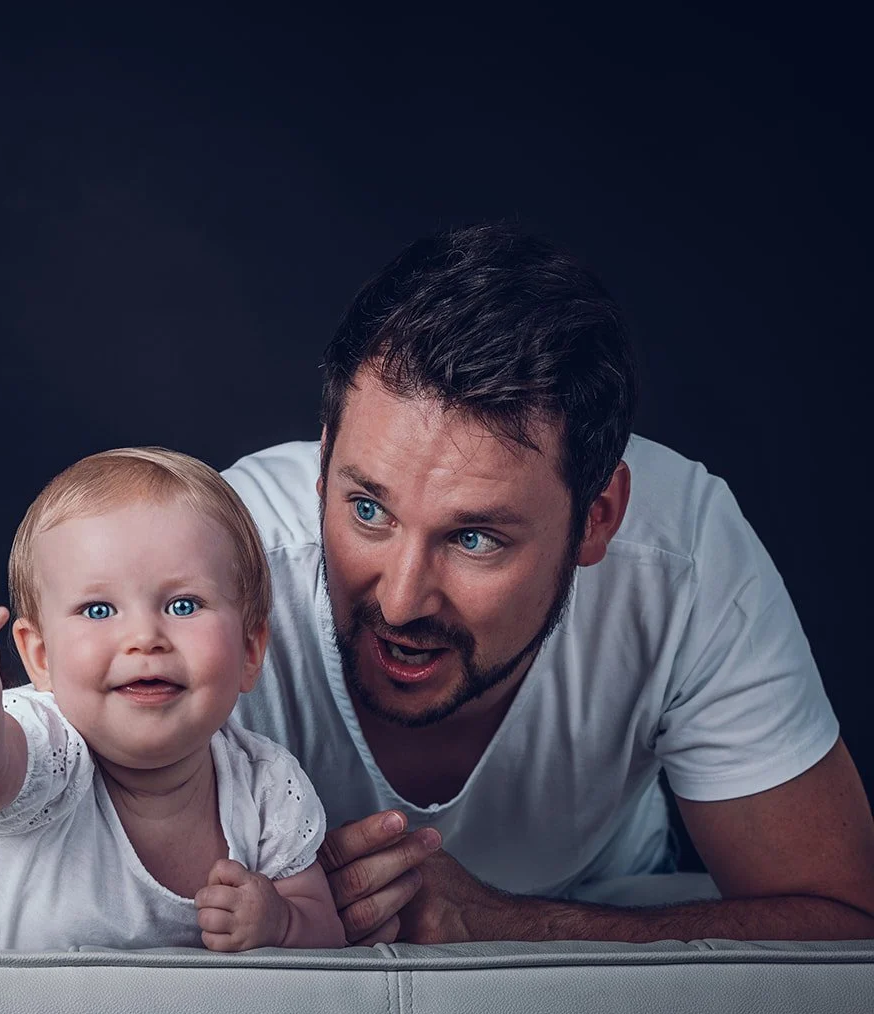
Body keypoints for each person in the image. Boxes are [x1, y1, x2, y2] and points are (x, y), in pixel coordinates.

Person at [221, 222, 874, 944]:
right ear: (322, 470)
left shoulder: (683, 558)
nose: (401, 599)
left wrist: (513, 924)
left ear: (597, 520)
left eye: (474, 538)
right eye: (368, 509)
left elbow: (845, 921)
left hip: (607, 890)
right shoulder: (222, 559)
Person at [0, 448, 346, 950]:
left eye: (183, 605)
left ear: (250, 650)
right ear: (40, 657)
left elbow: (327, 936)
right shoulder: (42, 747)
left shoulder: (265, 789)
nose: (145, 637)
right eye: (100, 609)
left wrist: (281, 923)